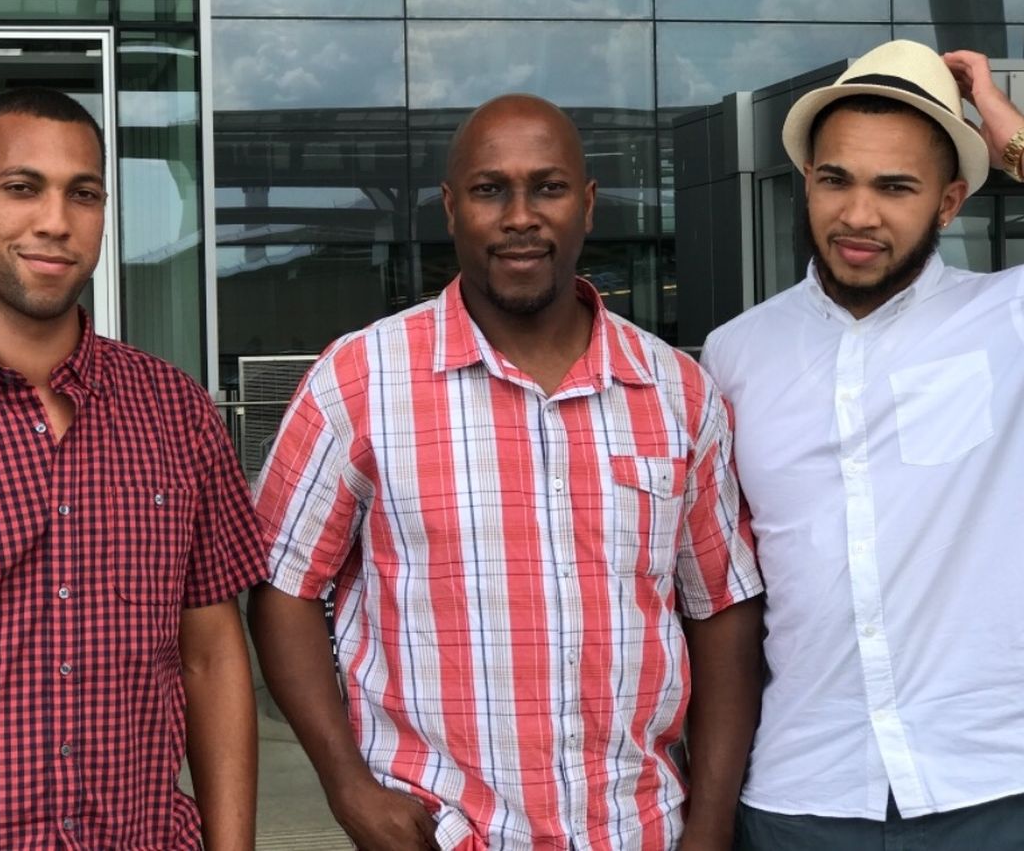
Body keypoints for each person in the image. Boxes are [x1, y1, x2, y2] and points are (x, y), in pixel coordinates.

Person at [248, 93, 764, 851]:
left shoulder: (679, 393)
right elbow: (281, 588)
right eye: (491, 190)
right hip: (441, 832)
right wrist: (348, 786)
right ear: (451, 208)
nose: (521, 217)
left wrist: (711, 825)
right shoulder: (358, 382)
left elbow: (721, 609)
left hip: (638, 828)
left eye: (548, 187)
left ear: (587, 204)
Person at [0, 88, 267, 849]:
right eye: (22, 187)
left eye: (83, 194)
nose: (56, 221)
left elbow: (211, 657)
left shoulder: (179, 415)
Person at [701, 40, 1024, 849]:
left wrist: (1003, 124)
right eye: (835, 179)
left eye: (896, 187)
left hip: (993, 783)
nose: (858, 216)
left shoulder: (1007, 321)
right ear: (806, 181)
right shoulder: (735, 355)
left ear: (949, 203)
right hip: (801, 793)